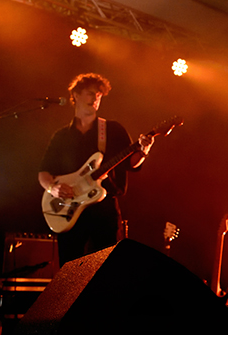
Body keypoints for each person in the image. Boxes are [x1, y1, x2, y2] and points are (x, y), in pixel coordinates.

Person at [38, 73, 154, 266]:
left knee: (104, 269)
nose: (95, 99)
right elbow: (44, 172)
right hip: (69, 210)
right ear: (75, 95)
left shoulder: (112, 129)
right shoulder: (61, 136)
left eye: (99, 95)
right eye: (91, 93)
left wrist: (144, 151)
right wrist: (52, 188)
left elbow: (130, 164)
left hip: (103, 209)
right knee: (68, 273)